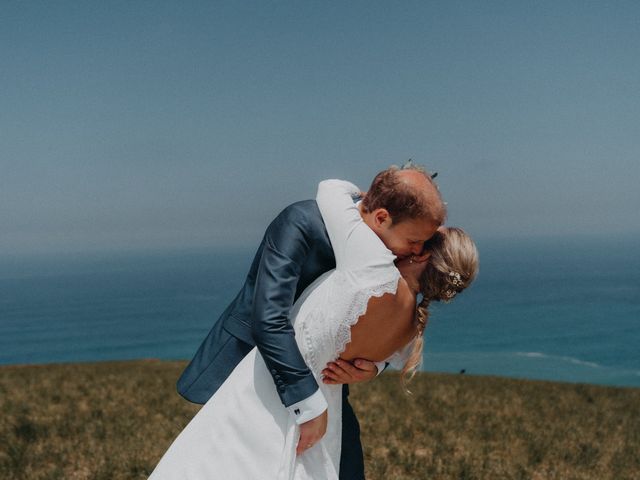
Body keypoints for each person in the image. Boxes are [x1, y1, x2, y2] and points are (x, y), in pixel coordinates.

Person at [149, 178, 478, 479]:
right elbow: (268, 318)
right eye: (414, 240)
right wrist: (317, 400)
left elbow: (331, 188)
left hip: (324, 386)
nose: (415, 249)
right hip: (259, 364)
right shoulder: (305, 222)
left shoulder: (380, 260)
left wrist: (371, 367)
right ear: (381, 217)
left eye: (422, 245)